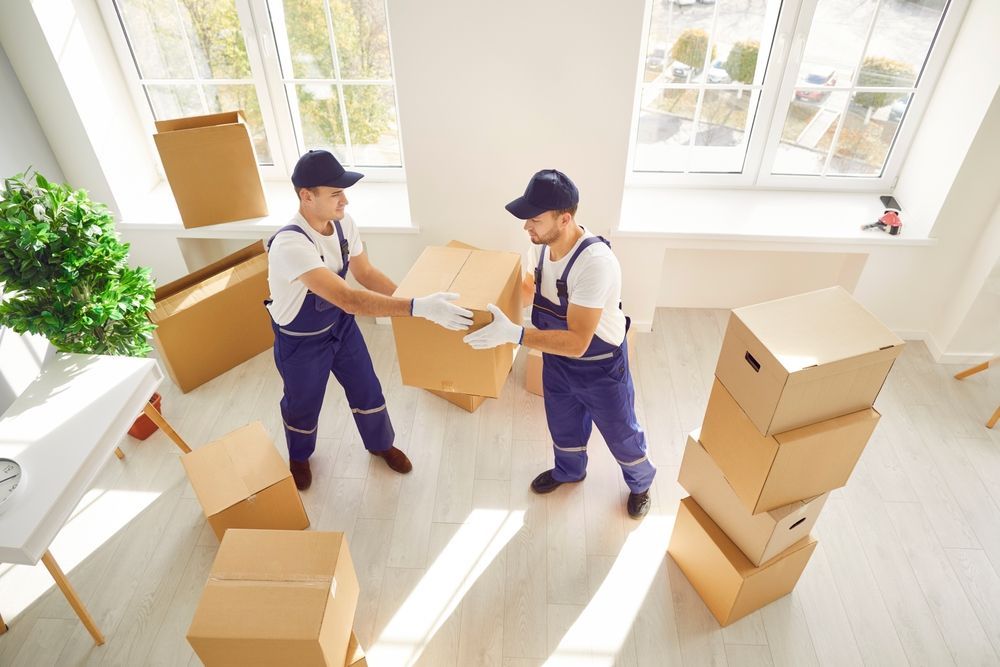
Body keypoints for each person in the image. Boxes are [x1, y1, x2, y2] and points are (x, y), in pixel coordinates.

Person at [267, 149, 473, 490]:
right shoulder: (290, 244)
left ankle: (380, 444)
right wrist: (417, 307)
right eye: (335, 193)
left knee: (367, 387)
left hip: (340, 326)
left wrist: (416, 302)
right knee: (303, 403)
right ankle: (299, 456)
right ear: (307, 196)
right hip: (301, 340)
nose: (344, 200)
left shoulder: (343, 224)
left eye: (344, 192)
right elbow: (349, 299)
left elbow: (365, 274)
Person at [463, 169, 654, 518]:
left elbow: (579, 342)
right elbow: (529, 289)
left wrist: (514, 334)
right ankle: (569, 471)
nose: (527, 226)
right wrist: (484, 308)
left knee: (621, 432)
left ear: (565, 219)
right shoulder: (540, 246)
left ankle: (640, 483)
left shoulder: (595, 264)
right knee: (563, 426)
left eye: (535, 219)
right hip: (556, 361)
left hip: (599, 366)